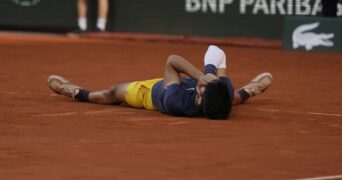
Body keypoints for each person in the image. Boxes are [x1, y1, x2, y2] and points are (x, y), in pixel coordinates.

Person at [47, 45, 273, 119]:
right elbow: (216, 50)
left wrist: (199, 76)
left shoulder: (175, 101)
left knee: (113, 93)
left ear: (199, 95)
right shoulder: (221, 93)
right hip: (209, 94)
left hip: (155, 92)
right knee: (233, 99)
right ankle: (250, 90)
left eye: (204, 87)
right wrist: (211, 72)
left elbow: (172, 61)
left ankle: (77, 92)